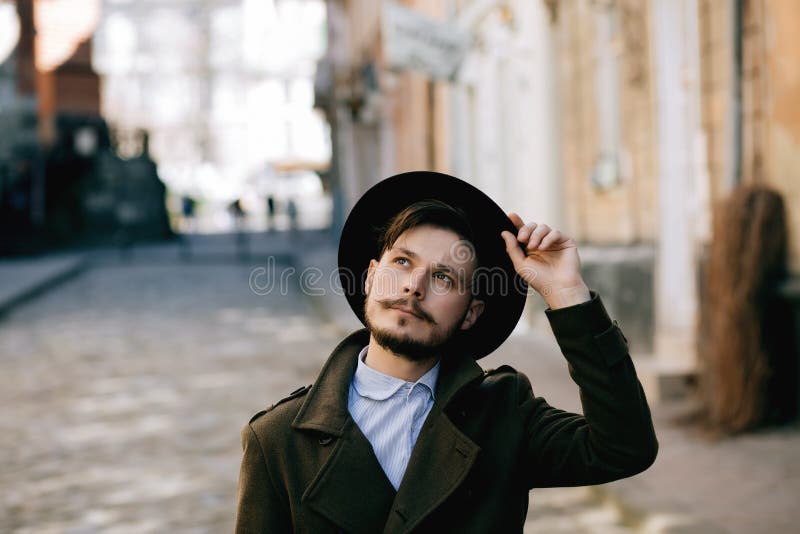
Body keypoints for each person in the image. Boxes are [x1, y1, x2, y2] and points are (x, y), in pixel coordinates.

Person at [235, 171, 658, 533]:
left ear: (471, 314)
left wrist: (568, 294)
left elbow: (624, 448)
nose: (413, 285)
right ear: (370, 277)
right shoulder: (278, 438)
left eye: (443, 277)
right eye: (402, 262)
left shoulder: (503, 413)